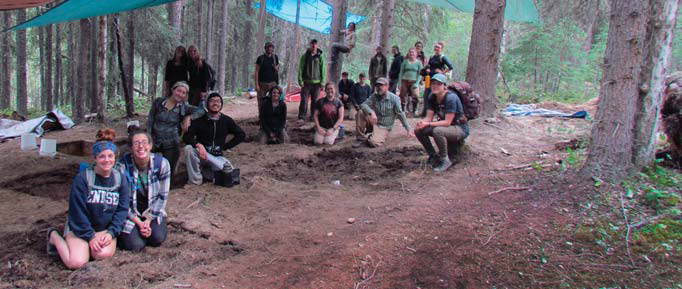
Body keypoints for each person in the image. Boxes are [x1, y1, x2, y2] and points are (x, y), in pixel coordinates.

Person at [46, 129, 130, 269]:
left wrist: (111, 233)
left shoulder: (120, 179)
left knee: (101, 255)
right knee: (76, 263)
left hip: (104, 229)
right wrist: (90, 236)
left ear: (115, 157)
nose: (107, 160)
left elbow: (122, 209)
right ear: (95, 158)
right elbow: (77, 212)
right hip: (80, 229)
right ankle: (54, 236)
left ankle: (89, 247)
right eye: (102, 156)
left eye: (110, 156)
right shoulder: (83, 179)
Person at [117, 130, 170, 252]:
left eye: (144, 142)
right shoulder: (122, 167)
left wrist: (148, 220)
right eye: (136, 143)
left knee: (157, 239)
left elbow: (163, 196)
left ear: (150, 146)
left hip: (152, 210)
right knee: (136, 245)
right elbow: (122, 201)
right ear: (130, 148)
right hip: (130, 213)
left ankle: (147, 228)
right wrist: (139, 223)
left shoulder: (162, 164)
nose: (141, 146)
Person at [183, 92, 245, 185]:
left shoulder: (226, 120)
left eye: (218, 101)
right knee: (188, 149)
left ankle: (208, 173)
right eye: (212, 101)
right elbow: (187, 137)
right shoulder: (200, 120)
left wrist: (225, 146)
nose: (215, 103)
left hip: (217, 157)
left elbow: (241, 135)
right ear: (207, 104)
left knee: (228, 173)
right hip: (202, 155)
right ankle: (195, 181)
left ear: (221, 105)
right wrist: (198, 145)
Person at [414, 74, 469, 172]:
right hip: (446, 127)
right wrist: (422, 123)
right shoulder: (432, 97)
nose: (435, 86)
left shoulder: (451, 98)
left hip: (459, 128)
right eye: (433, 83)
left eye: (438, 84)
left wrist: (429, 124)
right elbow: (428, 117)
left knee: (438, 131)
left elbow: (447, 122)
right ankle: (433, 156)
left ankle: (445, 160)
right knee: (418, 130)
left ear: (444, 86)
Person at [147, 81, 201, 177]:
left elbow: (202, 110)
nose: (180, 94)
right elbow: (150, 120)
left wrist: (189, 117)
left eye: (183, 93)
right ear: (173, 90)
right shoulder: (159, 102)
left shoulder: (184, 107)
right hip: (154, 140)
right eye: (178, 91)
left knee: (168, 172)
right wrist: (148, 137)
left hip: (172, 142)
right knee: (148, 167)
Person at [353, 78, 413, 148]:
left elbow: (400, 114)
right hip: (374, 122)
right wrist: (371, 112)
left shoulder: (394, 99)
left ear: (387, 86)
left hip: (384, 126)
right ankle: (360, 138)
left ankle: (372, 136)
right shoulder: (374, 96)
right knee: (360, 112)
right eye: (377, 86)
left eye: (381, 85)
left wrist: (408, 129)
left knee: (373, 143)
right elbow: (363, 105)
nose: (378, 88)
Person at [421, 41, 454, 117]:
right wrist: (427, 70)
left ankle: (435, 113)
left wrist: (442, 72)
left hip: (438, 80)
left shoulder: (442, 57)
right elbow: (429, 66)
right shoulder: (432, 57)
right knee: (426, 94)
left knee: (435, 95)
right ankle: (425, 112)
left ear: (441, 49)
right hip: (429, 78)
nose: (436, 48)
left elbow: (450, 66)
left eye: (438, 47)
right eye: (435, 47)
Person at [298, 39, 325, 122]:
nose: (314, 46)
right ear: (310, 45)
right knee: (304, 101)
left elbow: (323, 69)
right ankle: (302, 117)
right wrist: (300, 80)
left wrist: (323, 82)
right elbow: (300, 68)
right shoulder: (305, 56)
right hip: (306, 82)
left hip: (317, 83)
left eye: (315, 44)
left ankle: (313, 116)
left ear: (317, 45)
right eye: (312, 44)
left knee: (315, 101)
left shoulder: (320, 57)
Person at [254, 42, 280, 116]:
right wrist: (256, 85)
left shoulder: (275, 58)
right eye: (268, 47)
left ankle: (273, 117)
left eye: (271, 47)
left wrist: (276, 68)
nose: (270, 49)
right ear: (265, 48)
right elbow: (256, 71)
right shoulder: (260, 58)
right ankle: (262, 119)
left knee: (274, 101)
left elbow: (277, 68)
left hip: (273, 84)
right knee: (261, 102)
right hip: (262, 84)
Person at [398, 47, 423, 113]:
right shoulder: (405, 62)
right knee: (403, 95)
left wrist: (417, 83)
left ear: (416, 54)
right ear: (408, 53)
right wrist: (399, 83)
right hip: (404, 80)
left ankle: (415, 109)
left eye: (413, 52)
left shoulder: (419, 63)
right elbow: (401, 73)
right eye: (410, 52)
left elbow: (420, 74)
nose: (411, 53)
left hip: (414, 81)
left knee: (415, 95)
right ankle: (403, 109)